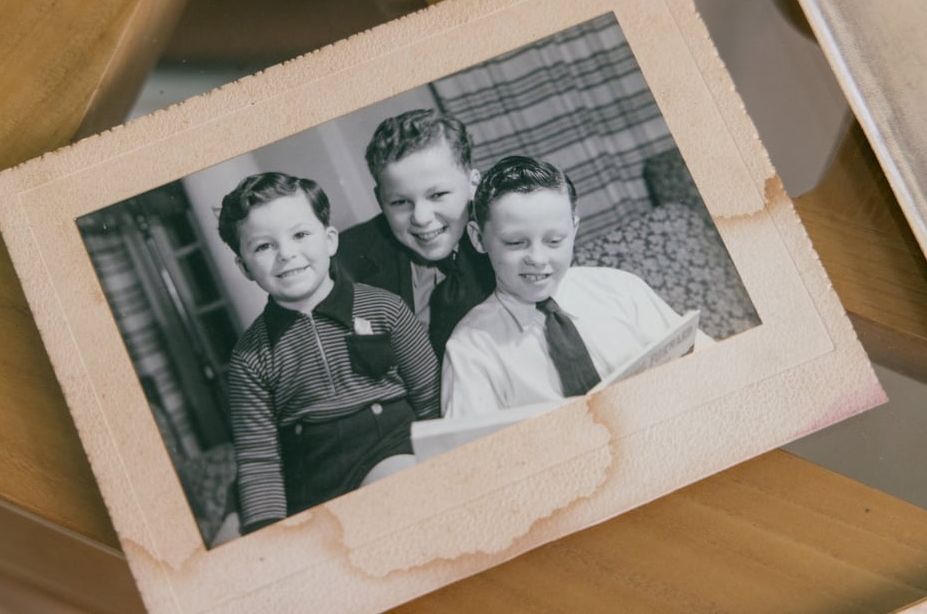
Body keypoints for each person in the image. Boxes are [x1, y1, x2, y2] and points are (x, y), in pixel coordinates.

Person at [217, 172, 439, 534]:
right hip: (311, 478)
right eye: (263, 246)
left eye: (300, 234)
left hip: (391, 447)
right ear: (244, 267)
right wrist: (267, 533)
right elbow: (259, 459)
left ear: (330, 240)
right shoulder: (250, 357)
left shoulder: (386, 309)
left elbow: (432, 397)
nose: (287, 254)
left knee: (400, 501)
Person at [441, 156, 712, 417]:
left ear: (574, 229)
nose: (537, 259)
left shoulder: (620, 289)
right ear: (478, 239)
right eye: (515, 243)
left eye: (555, 240)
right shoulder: (470, 348)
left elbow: (709, 361)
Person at [337, 109, 495, 359]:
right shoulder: (342, 261)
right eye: (400, 202)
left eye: (438, 195)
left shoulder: (510, 241)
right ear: (380, 200)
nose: (421, 217)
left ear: (473, 184)